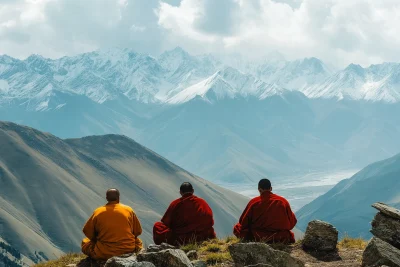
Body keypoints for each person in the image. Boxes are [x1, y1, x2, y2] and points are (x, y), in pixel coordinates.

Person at [81, 189, 143, 260]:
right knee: (138, 241)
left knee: (85, 242)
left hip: (104, 252)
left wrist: (96, 239)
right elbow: (138, 231)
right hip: (127, 250)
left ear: (106, 198)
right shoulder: (128, 210)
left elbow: (87, 231)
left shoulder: (98, 212)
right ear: (118, 198)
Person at [233, 178, 297, 243]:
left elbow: (243, 222)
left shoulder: (254, 202)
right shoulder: (282, 201)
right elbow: (292, 222)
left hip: (258, 236)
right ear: (271, 188)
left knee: (237, 227)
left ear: (259, 190)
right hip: (281, 237)